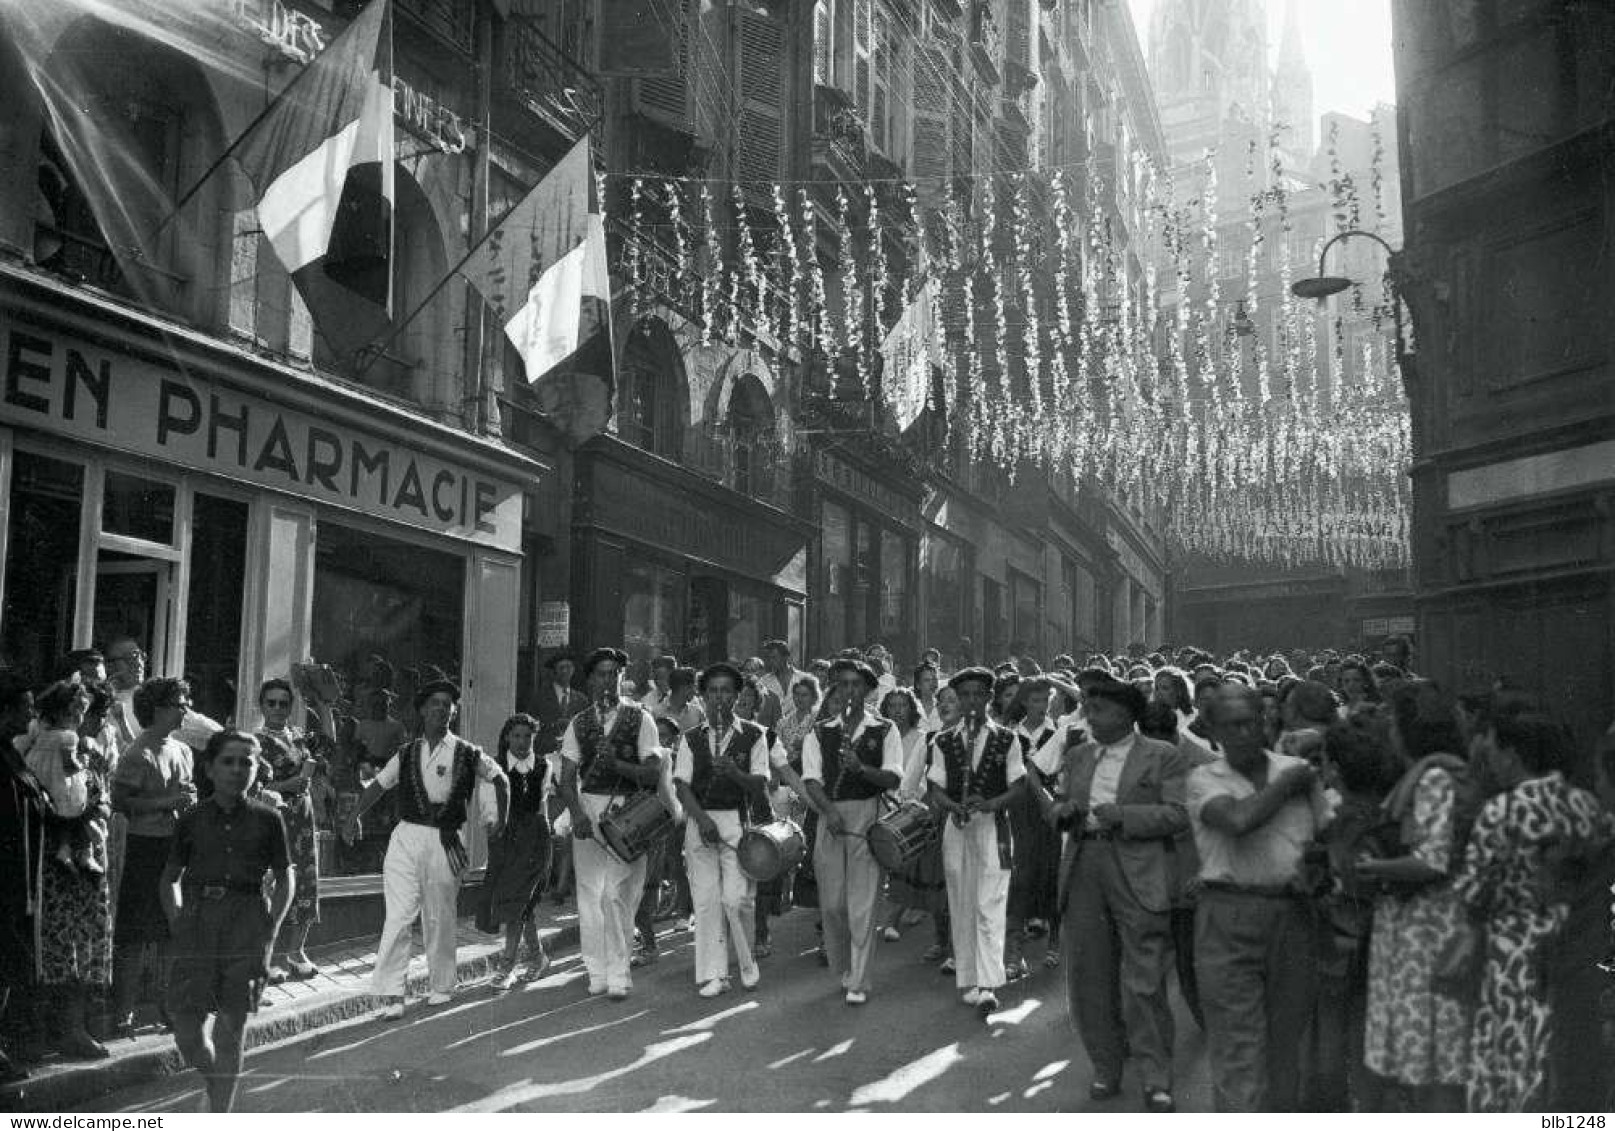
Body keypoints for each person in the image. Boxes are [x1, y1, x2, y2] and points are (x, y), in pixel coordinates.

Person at [1454, 711, 1615, 1112]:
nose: (1490, 760)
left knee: (1512, 1060)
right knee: (1569, 1063)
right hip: (1578, 952)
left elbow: (1473, 894)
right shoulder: (1587, 805)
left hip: (1513, 957)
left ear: (1514, 754)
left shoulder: (1500, 812)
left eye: (1494, 750)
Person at [1044, 674, 1189, 1112]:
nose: (1089, 715)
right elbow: (1058, 800)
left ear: (1127, 714)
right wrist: (1061, 812)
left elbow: (1178, 814)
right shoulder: (1078, 755)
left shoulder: (1163, 756)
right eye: (1088, 707)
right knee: (1089, 975)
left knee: (1143, 980)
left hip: (1137, 867)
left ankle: (1156, 1077)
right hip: (1085, 863)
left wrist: (1123, 816)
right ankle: (1105, 1067)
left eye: (1099, 708)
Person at [1188, 684, 1331, 1112]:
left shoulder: (1296, 769)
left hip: (1293, 913)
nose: (1246, 733)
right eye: (1232, 725)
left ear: (1267, 721)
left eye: (1253, 722)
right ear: (1213, 729)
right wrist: (1290, 783)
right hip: (1227, 913)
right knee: (1237, 1046)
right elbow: (1237, 820)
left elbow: (1327, 833)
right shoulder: (1204, 779)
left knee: (1288, 1044)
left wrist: (1317, 868)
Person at [342, 680, 508, 1020]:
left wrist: (498, 820)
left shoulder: (467, 751)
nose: (441, 709)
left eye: (447, 704)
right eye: (434, 703)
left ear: (454, 711)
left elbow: (500, 779)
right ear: (421, 710)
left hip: (445, 841)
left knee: (440, 917)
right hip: (406, 838)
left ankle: (442, 986)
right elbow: (377, 786)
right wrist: (353, 817)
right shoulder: (406, 753)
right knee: (399, 915)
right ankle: (390, 993)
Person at [160, 730, 293, 1113]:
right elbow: (169, 879)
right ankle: (216, 1086)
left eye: (246, 762)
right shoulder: (192, 818)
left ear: (255, 770)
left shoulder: (269, 819)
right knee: (187, 1032)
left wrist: (271, 927)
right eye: (228, 761)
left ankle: (219, 1114)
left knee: (230, 1030)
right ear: (210, 769)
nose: (237, 770)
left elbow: (286, 877)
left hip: (247, 921)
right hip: (198, 922)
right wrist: (178, 921)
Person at [1357, 680, 1471, 1111]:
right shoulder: (1430, 773)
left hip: (1427, 930)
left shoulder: (1435, 779)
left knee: (1434, 1056)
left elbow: (1433, 859)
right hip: (1415, 929)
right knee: (1423, 1055)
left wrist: (1374, 868)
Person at [557, 647, 664, 1001]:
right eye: (601, 674)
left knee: (619, 894)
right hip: (589, 808)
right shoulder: (579, 722)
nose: (607, 680)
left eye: (613, 673)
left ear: (622, 676)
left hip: (631, 812)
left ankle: (620, 967)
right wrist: (576, 814)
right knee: (591, 895)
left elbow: (652, 772)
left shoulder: (641, 718)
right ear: (590, 680)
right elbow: (567, 775)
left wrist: (616, 764)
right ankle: (601, 971)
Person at [801, 658, 904, 1005]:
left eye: (855, 685)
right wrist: (828, 811)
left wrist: (861, 769)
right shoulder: (819, 731)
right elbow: (812, 780)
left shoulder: (885, 729)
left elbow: (892, 778)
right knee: (832, 905)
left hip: (867, 816)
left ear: (867, 689)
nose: (849, 691)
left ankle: (859, 979)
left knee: (863, 901)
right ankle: (844, 966)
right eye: (842, 685)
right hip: (829, 817)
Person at [925, 667, 1024, 1017]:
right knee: (963, 900)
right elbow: (935, 786)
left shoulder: (1007, 739)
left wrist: (991, 804)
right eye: (964, 695)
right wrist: (951, 806)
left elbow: (1017, 784)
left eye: (977, 695)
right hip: (957, 825)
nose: (970, 701)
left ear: (988, 697)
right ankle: (968, 977)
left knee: (989, 901)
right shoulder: (943, 740)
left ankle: (988, 983)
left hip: (992, 826)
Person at [673, 663, 771, 997]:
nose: (719, 697)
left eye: (726, 691)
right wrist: (701, 820)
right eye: (712, 691)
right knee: (706, 901)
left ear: (736, 695)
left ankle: (746, 963)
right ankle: (714, 974)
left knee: (736, 899)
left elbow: (759, 785)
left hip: (736, 821)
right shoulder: (690, 739)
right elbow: (681, 786)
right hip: (700, 821)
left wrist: (735, 773)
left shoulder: (754, 734)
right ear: (703, 695)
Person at [109, 678, 197, 1034]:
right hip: (143, 849)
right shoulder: (138, 753)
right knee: (135, 932)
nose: (185, 709)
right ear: (158, 709)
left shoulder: (181, 750)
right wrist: (169, 802)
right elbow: (122, 802)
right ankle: (123, 1011)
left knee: (169, 929)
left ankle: (167, 1005)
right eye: (179, 703)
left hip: (173, 848)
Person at [254, 678, 336, 981]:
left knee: (305, 880)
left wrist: (323, 706)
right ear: (261, 705)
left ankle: (296, 950)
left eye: (283, 703)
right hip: (273, 816)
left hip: (302, 816)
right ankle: (266, 956)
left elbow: (328, 742)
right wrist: (289, 784)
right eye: (271, 702)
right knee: (271, 885)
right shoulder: (255, 742)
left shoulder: (298, 736)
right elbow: (253, 785)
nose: (277, 709)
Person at [477, 714, 554, 991]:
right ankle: (538, 958)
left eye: (528, 737)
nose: (522, 742)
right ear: (507, 737)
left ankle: (506, 965)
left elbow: (542, 803)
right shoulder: (494, 768)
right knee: (519, 903)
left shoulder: (544, 765)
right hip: (506, 838)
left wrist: (547, 840)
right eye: (517, 736)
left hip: (535, 839)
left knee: (519, 902)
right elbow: (488, 808)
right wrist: (494, 833)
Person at [1005, 676, 1062, 978]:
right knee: (1022, 875)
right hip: (1020, 811)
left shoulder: (1058, 732)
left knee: (1051, 872)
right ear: (1025, 702)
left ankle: (1054, 941)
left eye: (1046, 701)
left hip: (1049, 810)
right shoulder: (1012, 734)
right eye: (1037, 700)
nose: (1042, 707)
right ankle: (1014, 949)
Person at [877, 687, 944, 945]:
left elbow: (921, 777)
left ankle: (898, 913)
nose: (896, 710)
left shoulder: (921, 737)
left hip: (914, 804)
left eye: (902, 705)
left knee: (908, 859)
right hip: (884, 800)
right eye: (892, 705)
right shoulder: (881, 733)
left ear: (911, 709)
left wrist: (910, 800)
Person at [20, 682, 104, 875]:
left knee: (58, 816)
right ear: (63, 714)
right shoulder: (69, 737)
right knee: (71, 813)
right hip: (59, 782)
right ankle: (70, 850)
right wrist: (83, 764)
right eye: (76, 713)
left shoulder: (40, 730)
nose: (79, 718)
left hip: (37, 778)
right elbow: (69, 765)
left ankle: (67, 850)